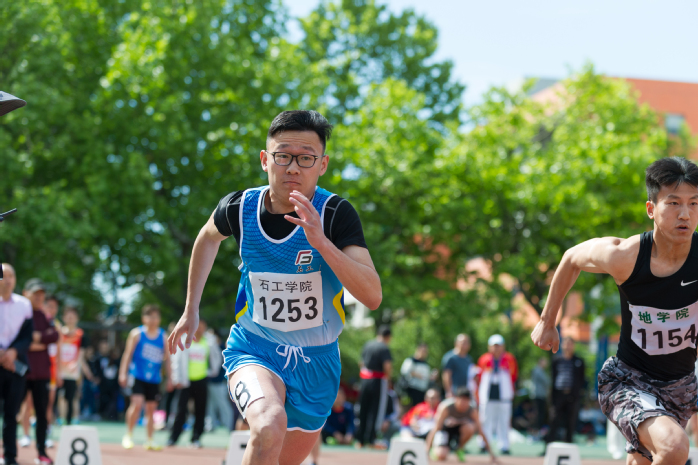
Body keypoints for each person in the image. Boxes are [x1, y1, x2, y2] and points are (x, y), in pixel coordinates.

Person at [166, 110, 381, 465]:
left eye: (305, 158)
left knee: (279, 459)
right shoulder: (239, 208)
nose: (293, 167)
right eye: (283, 156)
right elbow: (206, 238)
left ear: (322, 164)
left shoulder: (335, 214)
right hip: (255, 347)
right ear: (266, 160)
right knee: (268, 425)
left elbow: (372, 295)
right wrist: (192, 309)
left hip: (317, 361)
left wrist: (322, 242)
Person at [531, 157, 698, 464]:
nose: (685, 214)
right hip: (628, 380)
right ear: (651, 209)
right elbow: (571, 258)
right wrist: (547, 321)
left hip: (682, 386)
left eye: (694, 203)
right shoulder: (625, 256)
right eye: (673, 203)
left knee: (643, 461)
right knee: (674, 449)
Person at [119, 304, 171, 450]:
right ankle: (128, 435)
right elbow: (127, 354)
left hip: (154, 378)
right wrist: (123, 373)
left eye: (156, 317)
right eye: (150, 316)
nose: (153, 320)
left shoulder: (163, 336)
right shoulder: (137, 334)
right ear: (144, 318)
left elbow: (167, 359)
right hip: (137, 375)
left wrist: (170, 378)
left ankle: (150, 439)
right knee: (137, 404)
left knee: (151, 409)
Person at [20, 278, 58, 464]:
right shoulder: (19, 313)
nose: (39, 297)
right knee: (12, 412)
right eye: (36, 293)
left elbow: (54, 336)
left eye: (41, 294)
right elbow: (19, 340)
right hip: (19, 371)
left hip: (42, 373)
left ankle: (42, 452)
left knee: (42, 414)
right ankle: (7, 451)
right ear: (25, 293)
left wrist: (35, 339)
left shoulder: (46, 316)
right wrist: (37, 342)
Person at [0, 263, 34, 465]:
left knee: (11, 414)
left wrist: (12, 353)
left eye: (11, 275)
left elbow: (27, 336)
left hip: (15, 366)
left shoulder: (24, 305)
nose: (8, 279)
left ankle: (10, 456)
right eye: (4, 275)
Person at [426, 387, 499, 463]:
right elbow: (436, 428)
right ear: (456, 398)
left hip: (459, 431)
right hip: (445, 431)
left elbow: (481, 431)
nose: (464, 403)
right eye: (462, 399)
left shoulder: (472, 410)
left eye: (467, 400)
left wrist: (492, 454)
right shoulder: (446, 407)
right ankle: (436, 449)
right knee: (441, 456)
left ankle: (459, 448)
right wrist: (427, 449)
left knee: (470, 428)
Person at [168, 320, 210, 448]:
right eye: (198, 326)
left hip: (201, 380)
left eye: (203, 327)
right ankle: (173, 438)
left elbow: (214, 358)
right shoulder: (185, 340)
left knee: (200, 410)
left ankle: (196, 438)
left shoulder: (208, 342)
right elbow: (176, 360)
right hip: (185, 382)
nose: (200, 329)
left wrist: (211, 372)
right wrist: (177, 379)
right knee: (181, 410)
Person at [476, 334, 518, 455]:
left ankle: (504, 445)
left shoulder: (510, 359)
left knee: (504, 420)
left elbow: (514, 376)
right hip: (487, 395)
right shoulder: (484, 359)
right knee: (485, 419)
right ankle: (484, 443)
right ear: (489, 347)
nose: (496, 349)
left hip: (503, 395)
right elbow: (479, 377)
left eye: (499, 346)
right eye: (494, 346)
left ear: (503, 346)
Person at [356, 325, 392, 448]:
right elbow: (387, 366)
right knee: (375, 410)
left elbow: (361, 363)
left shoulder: (368, 345)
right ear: (388, 337)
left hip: (364, 380)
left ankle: (359, 440)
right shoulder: (384, 348)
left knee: (363, 409)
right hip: (377, 380)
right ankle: (371, 440)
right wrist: (388, 379)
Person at [58, 306, 95, 425]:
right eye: (68, 316)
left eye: (72, 317)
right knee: (60, 396)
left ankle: (73, 418)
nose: (70, 319)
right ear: (64, 318)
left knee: (72, 396)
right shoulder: (58, 333)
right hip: (59, 370)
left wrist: (84, 370)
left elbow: (81, 356)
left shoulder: (81, 335)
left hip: (73, 371)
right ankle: (61, 417)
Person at [546, 337, 586, 444]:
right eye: (566, 344)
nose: (568, 346)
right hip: (558, 395)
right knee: (554, 420)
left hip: (572, 396)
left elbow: (582, 379)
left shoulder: (579, 361)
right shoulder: (557, 360)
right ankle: (549, 445)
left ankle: (569, 445)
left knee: (571, 421)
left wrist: (579, 393)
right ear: (562, 345)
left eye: (570, 344)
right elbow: (553, 377)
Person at [400, 342, 431, 408]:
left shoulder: (425, 364)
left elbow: (426, 377)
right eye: (423, 351)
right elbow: (404, 371)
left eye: (426, 351)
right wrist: (418, 375)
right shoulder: (411, 360)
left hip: (422, 390)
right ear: (418, 350)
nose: (424, 353)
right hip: (411, 389)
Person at [442, 334, 473, 399]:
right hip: (454, 393)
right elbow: (446, 375)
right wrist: (449, 391)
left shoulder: (468, 359)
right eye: (463, 342)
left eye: (467, 342)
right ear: (456, 343)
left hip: (465, 394)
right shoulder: (450, 357)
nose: (465, 344)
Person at [530, 356, 550, 438]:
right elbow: (547, 381)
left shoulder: (541, 371)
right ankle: (535, 432)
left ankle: (538, 432)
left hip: (541, 395)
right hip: (538, 395)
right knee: (538, 415)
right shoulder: (538, 370)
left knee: (541, 414)